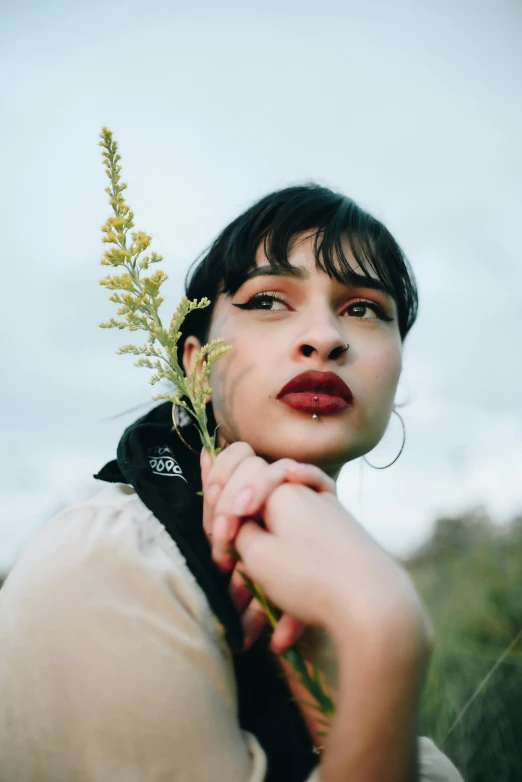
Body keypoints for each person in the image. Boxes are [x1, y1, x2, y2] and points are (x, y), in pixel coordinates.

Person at [0, 185, 464, 781]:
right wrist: (383, 633)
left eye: (364, 308)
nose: (325, 337)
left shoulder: (321, 587)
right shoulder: (114, 559)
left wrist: (339, 705)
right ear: (196, 362)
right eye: (268, 300)